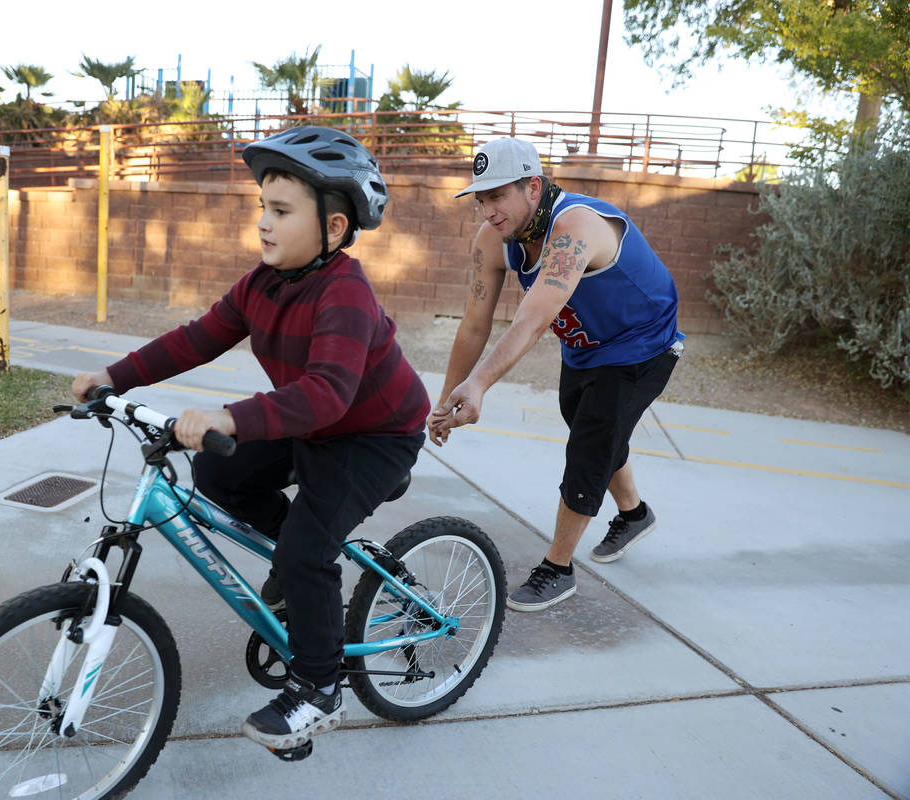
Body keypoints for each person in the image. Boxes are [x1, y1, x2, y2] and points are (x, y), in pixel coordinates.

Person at [71, 126, 430, 751]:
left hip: (373, 435)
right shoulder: (262, 282)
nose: (264, 222)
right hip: (310, 423)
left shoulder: (346, 293)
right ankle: (295, 579)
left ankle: (320, 690)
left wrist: (228, 416)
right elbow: (197, 337)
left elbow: (327, 393)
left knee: (304, 553)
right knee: (220, 475)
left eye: (282, 211)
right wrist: (112, 377)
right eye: (263, 206)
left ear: (335, 229)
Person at [429, 137, 681, 612]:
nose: (487, 210)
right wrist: (446, 399)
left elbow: (531, 319)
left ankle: (558, 569)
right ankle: (634, 514)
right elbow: (475, 323)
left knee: (592, 442)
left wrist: (480, 384)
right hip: (586, 347)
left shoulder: (576, 227)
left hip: (642, 344)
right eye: (480, 199)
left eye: (497, 195)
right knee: (595, 428)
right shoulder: (493, 241)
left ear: (532, 186)